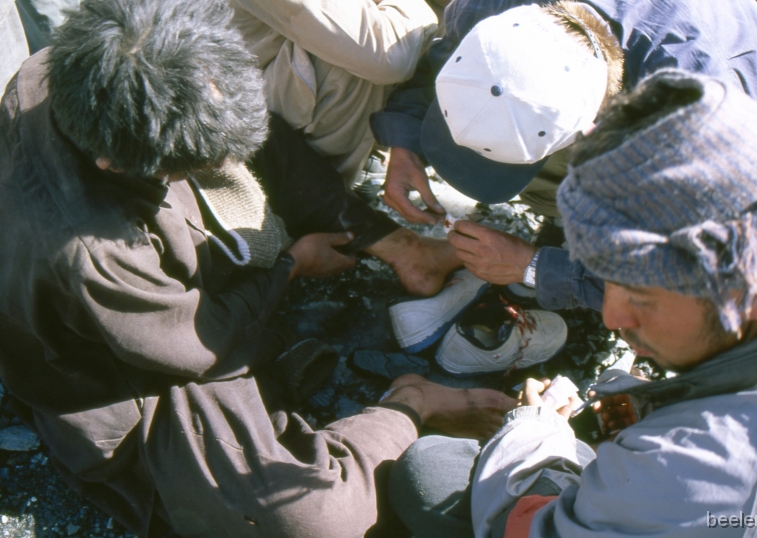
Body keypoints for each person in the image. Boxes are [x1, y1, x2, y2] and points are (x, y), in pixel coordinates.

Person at [0, 0, 517, 536]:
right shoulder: (97, 253)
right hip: (130, 360)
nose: (224, 171)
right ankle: (411, 403)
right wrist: (288, 267)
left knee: (251, 135)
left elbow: (221, 120)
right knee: (307, 520)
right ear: (119, 164)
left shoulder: (67, 68)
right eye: (198, 168)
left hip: (148, 275)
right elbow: (200, 343)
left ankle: (402, 248)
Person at [387, 69, 757, 537]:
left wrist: (535, 427)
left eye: (642, 296)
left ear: (754, 291)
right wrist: (656, 404)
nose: (611, 316)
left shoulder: (687, 469)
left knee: (428, 471)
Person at [371, 0, 757, 311]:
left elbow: (702, 271)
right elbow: (447, 56)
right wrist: (405, 140)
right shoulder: (495, 10)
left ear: (589, 126)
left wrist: (535, 267)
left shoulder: (696, 121)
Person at [228, 0, 446, 186]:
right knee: (360, 48)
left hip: (267, 98)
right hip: (241, 129)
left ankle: (371, 156)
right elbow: (388, 56)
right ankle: (314, 202)